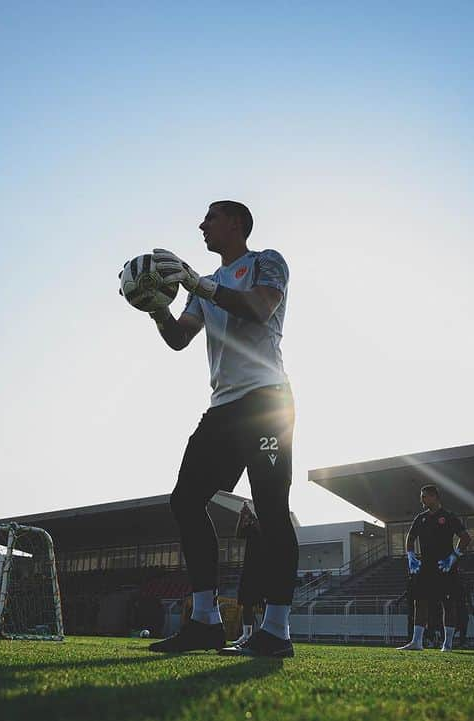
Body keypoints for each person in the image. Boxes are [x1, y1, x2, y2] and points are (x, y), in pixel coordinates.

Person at [138, 200, 297, 658]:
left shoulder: (266, 262)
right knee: (185, 500)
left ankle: (277, 631)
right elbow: (180, 337)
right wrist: (155, 309)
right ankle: (205, 621)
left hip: (267, 401)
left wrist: (201, 285)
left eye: (210, 217)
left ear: (235, 224)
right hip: (224, 407)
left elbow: (260, 310)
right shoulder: (200, 289)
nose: (201, 225)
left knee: (271, 508)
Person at [396, 484, 470, 652]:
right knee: (420, 602)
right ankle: (416, 642)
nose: (421, 499)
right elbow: (410, 537)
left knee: (448, 603)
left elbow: (465, 538)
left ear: (434, 497)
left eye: (424, 496)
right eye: (421, 496)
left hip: (444, 567)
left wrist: (454, 556)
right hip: (426, 567)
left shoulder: (449, 516)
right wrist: (411, 555)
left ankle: (448, 644)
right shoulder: (420, 518)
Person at [229, 501, 265, 648]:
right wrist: (242, 516)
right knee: (246, 603)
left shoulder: (268, 522)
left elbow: (261, 529)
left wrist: (252, 517)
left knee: (265, 603)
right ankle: (246, 635)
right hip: (249, 567)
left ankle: (266, 632)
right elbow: (238, 534)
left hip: (264, 568)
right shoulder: (252, 525)